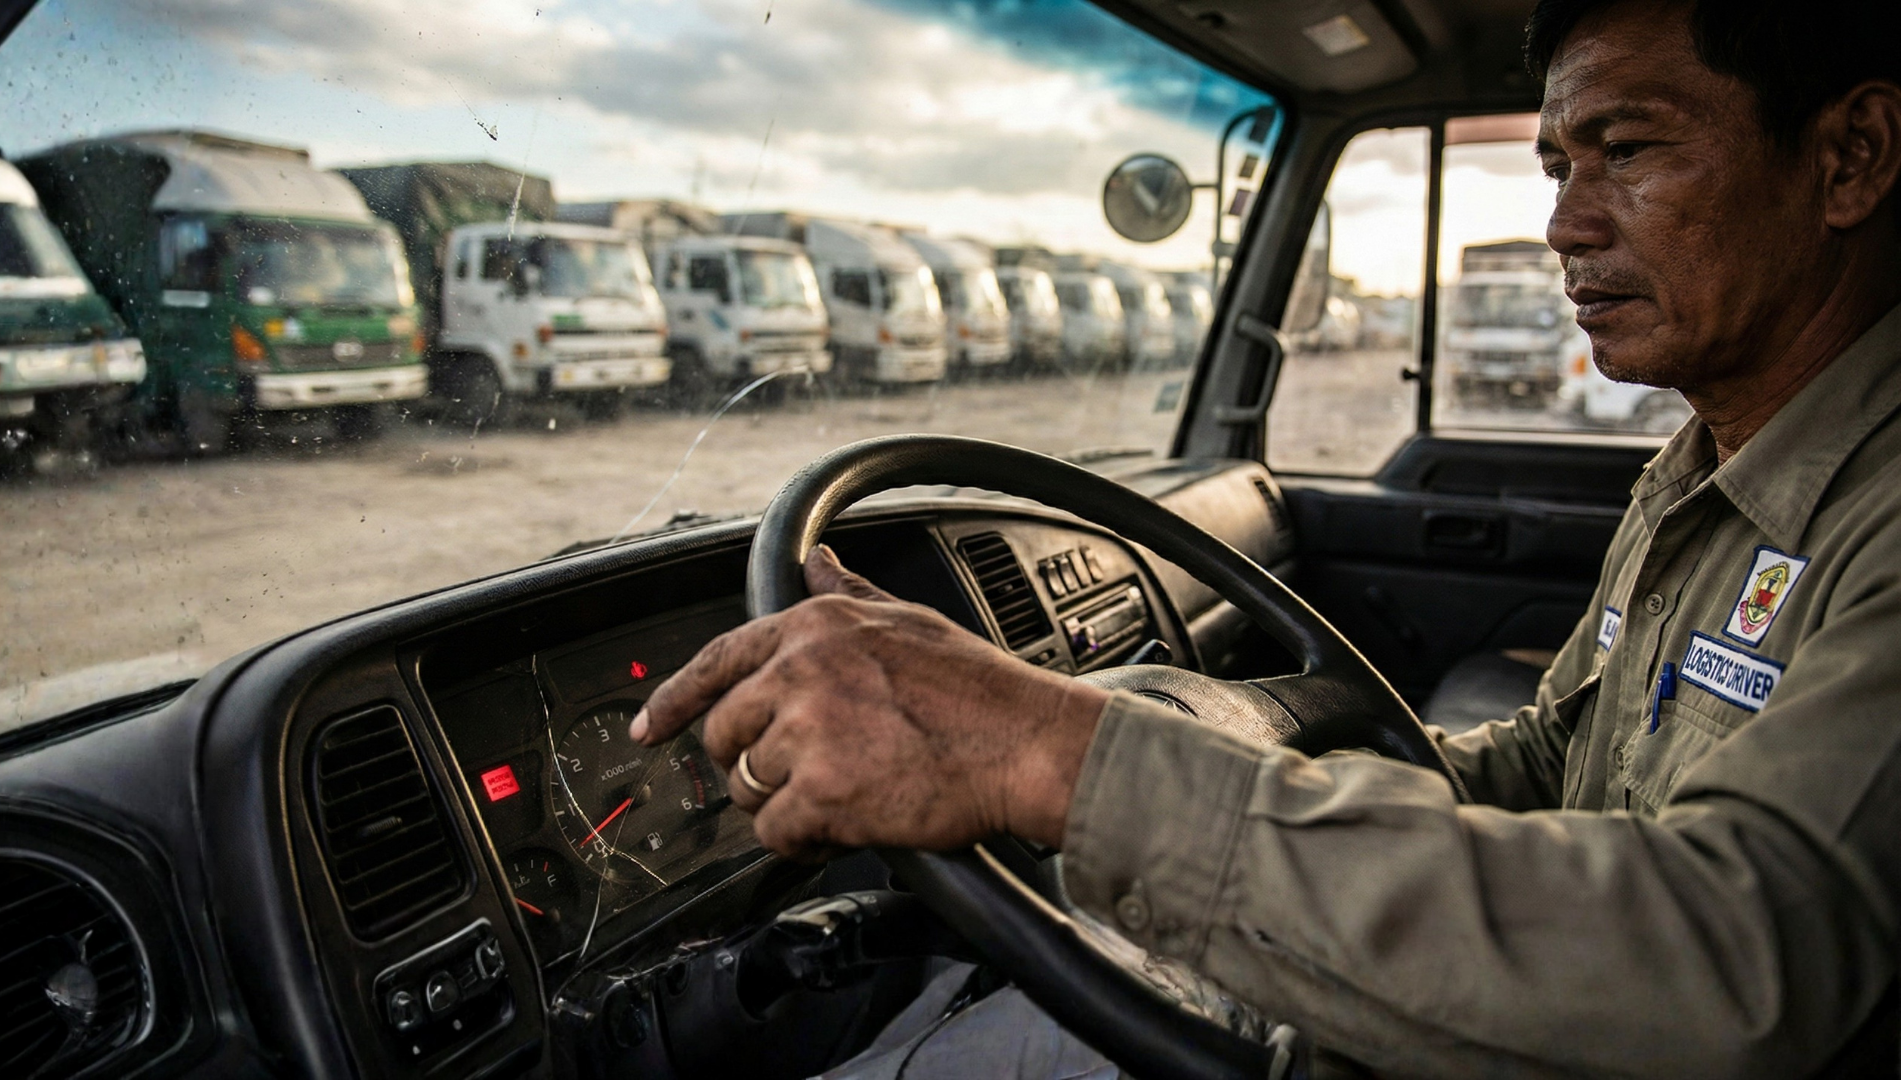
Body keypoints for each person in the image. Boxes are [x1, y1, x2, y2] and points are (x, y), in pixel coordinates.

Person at [632, 0, 1901, 1073]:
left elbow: (1744, 952)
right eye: (1558, 166)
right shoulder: (1702, 468)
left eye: (1625, 148)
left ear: (1849, 158)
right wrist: (1214, 749)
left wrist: (1052, 748)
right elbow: (1556, 759)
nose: (1569, 221)